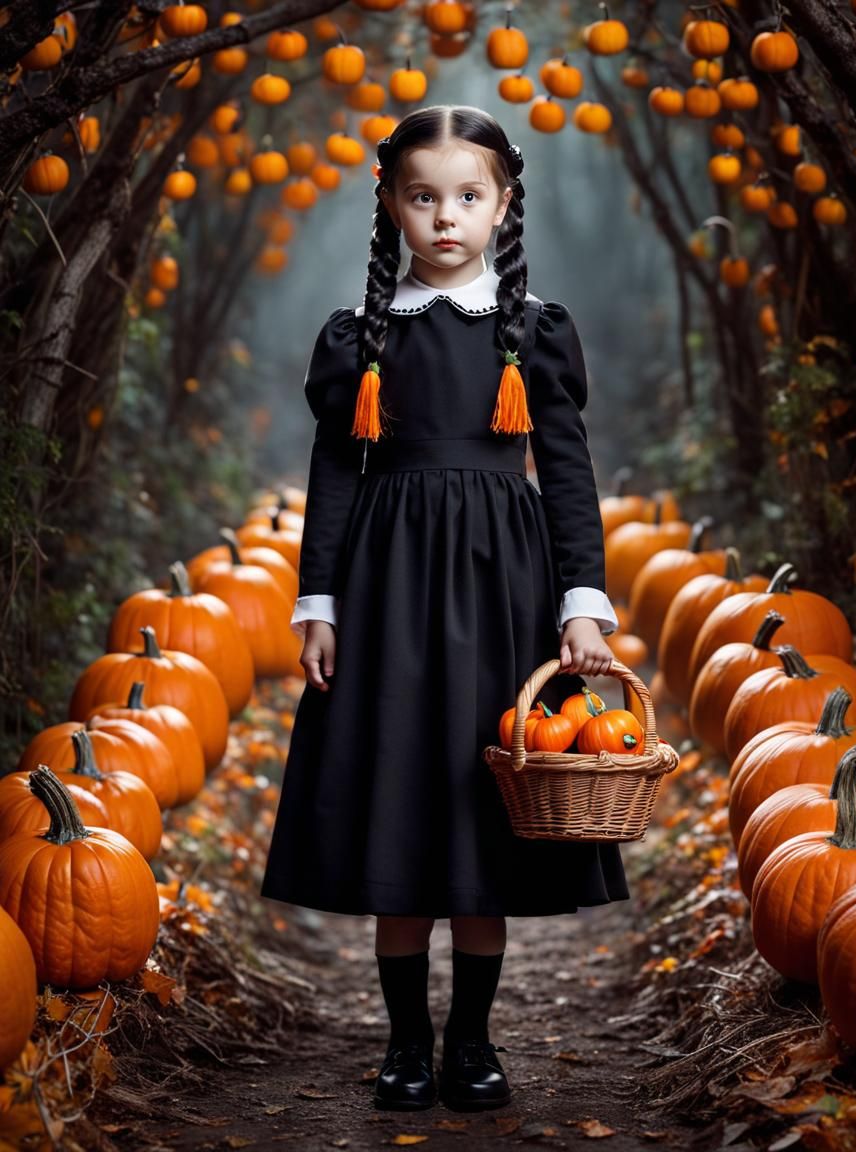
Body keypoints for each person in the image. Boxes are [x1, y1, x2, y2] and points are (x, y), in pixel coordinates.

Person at [261, 104, 629, 1114]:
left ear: (502, 206)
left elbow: (563, 474)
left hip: (500, 584)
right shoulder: (361, 337)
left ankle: (470, 1039)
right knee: (400, 801)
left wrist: (580, 605)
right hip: (385, 584)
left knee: (480, 813)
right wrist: (318, 601)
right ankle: (405, 1042)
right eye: (421, 198)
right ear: (388, 204)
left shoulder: (530, 330)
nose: (444, 218)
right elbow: (336, 469)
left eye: (468, 197)